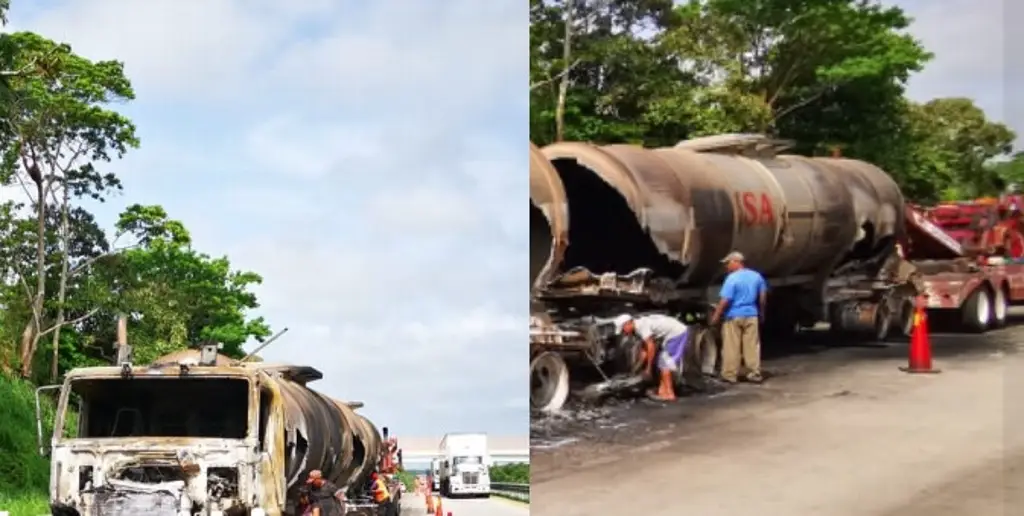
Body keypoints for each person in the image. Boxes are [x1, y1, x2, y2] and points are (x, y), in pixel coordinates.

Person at [710, 251, 767, 384]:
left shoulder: (732, 278)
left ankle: (729, 375)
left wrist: (716, 315)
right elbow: (763, 297)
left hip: (733, 316)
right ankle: (754, 373)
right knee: (752, 346)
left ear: (736, 262)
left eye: (728, 263)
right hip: (752, 315)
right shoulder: (756, 276)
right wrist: (762, 312)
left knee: (731, 346)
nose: (726, 266)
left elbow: (725, 300)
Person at [613, 313, 691, 401]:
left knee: (665, 363)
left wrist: (648, 368)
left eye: (623, 329)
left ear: (628, 323)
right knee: (661, 362)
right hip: (673, 332)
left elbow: (651, 347)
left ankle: (669, 394)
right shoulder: (639, 326)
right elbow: (644, 350)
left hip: (676, 333)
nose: (624, 332)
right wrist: (636, 368)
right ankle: (662, 391)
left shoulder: (641, 327)